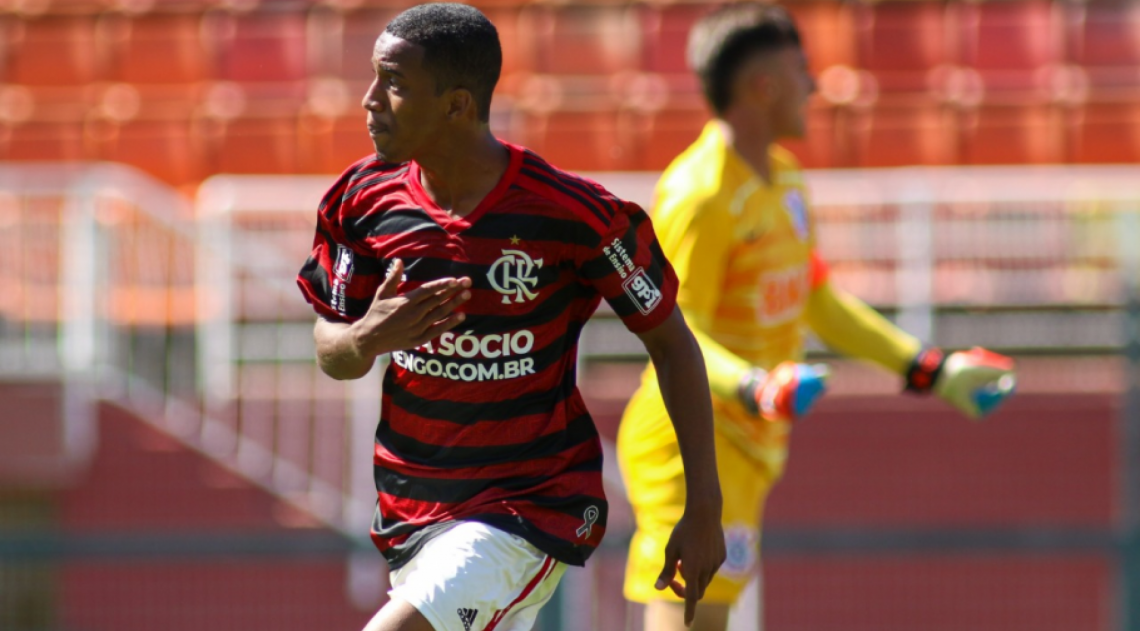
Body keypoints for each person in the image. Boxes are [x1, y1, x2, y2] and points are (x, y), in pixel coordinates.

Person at [296, 5, 725, 631]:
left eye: (393, 83)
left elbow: (672, 342)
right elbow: (331, 349)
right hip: (411, 511)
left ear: (456, 104)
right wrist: (366, 337)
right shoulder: (360, 201)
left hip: (527, 509)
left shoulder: (572, 214)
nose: (369, 100)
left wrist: (704, 505)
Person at [616, 4, 1018, 631]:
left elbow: (818, 299)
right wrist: (756, 385)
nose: (814, 85)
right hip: (691, 447)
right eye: (802, 71)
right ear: (764, 86)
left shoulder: (787, 179)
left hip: (749, 445)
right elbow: (675, 328)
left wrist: (930, 369)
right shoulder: (700, 194)